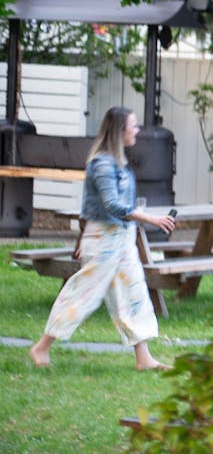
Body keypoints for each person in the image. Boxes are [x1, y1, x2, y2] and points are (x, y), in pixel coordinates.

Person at [28, 107, 177, 370]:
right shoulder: (102, 165)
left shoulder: (119, 163)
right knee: (83, 294)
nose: (137, 131)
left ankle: (144, 359)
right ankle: (41, 348)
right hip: (104, 240)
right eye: (133, 126)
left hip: (122, 239)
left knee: (134, 293)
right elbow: (111, 205)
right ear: (120, 131)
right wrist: (150, 218)